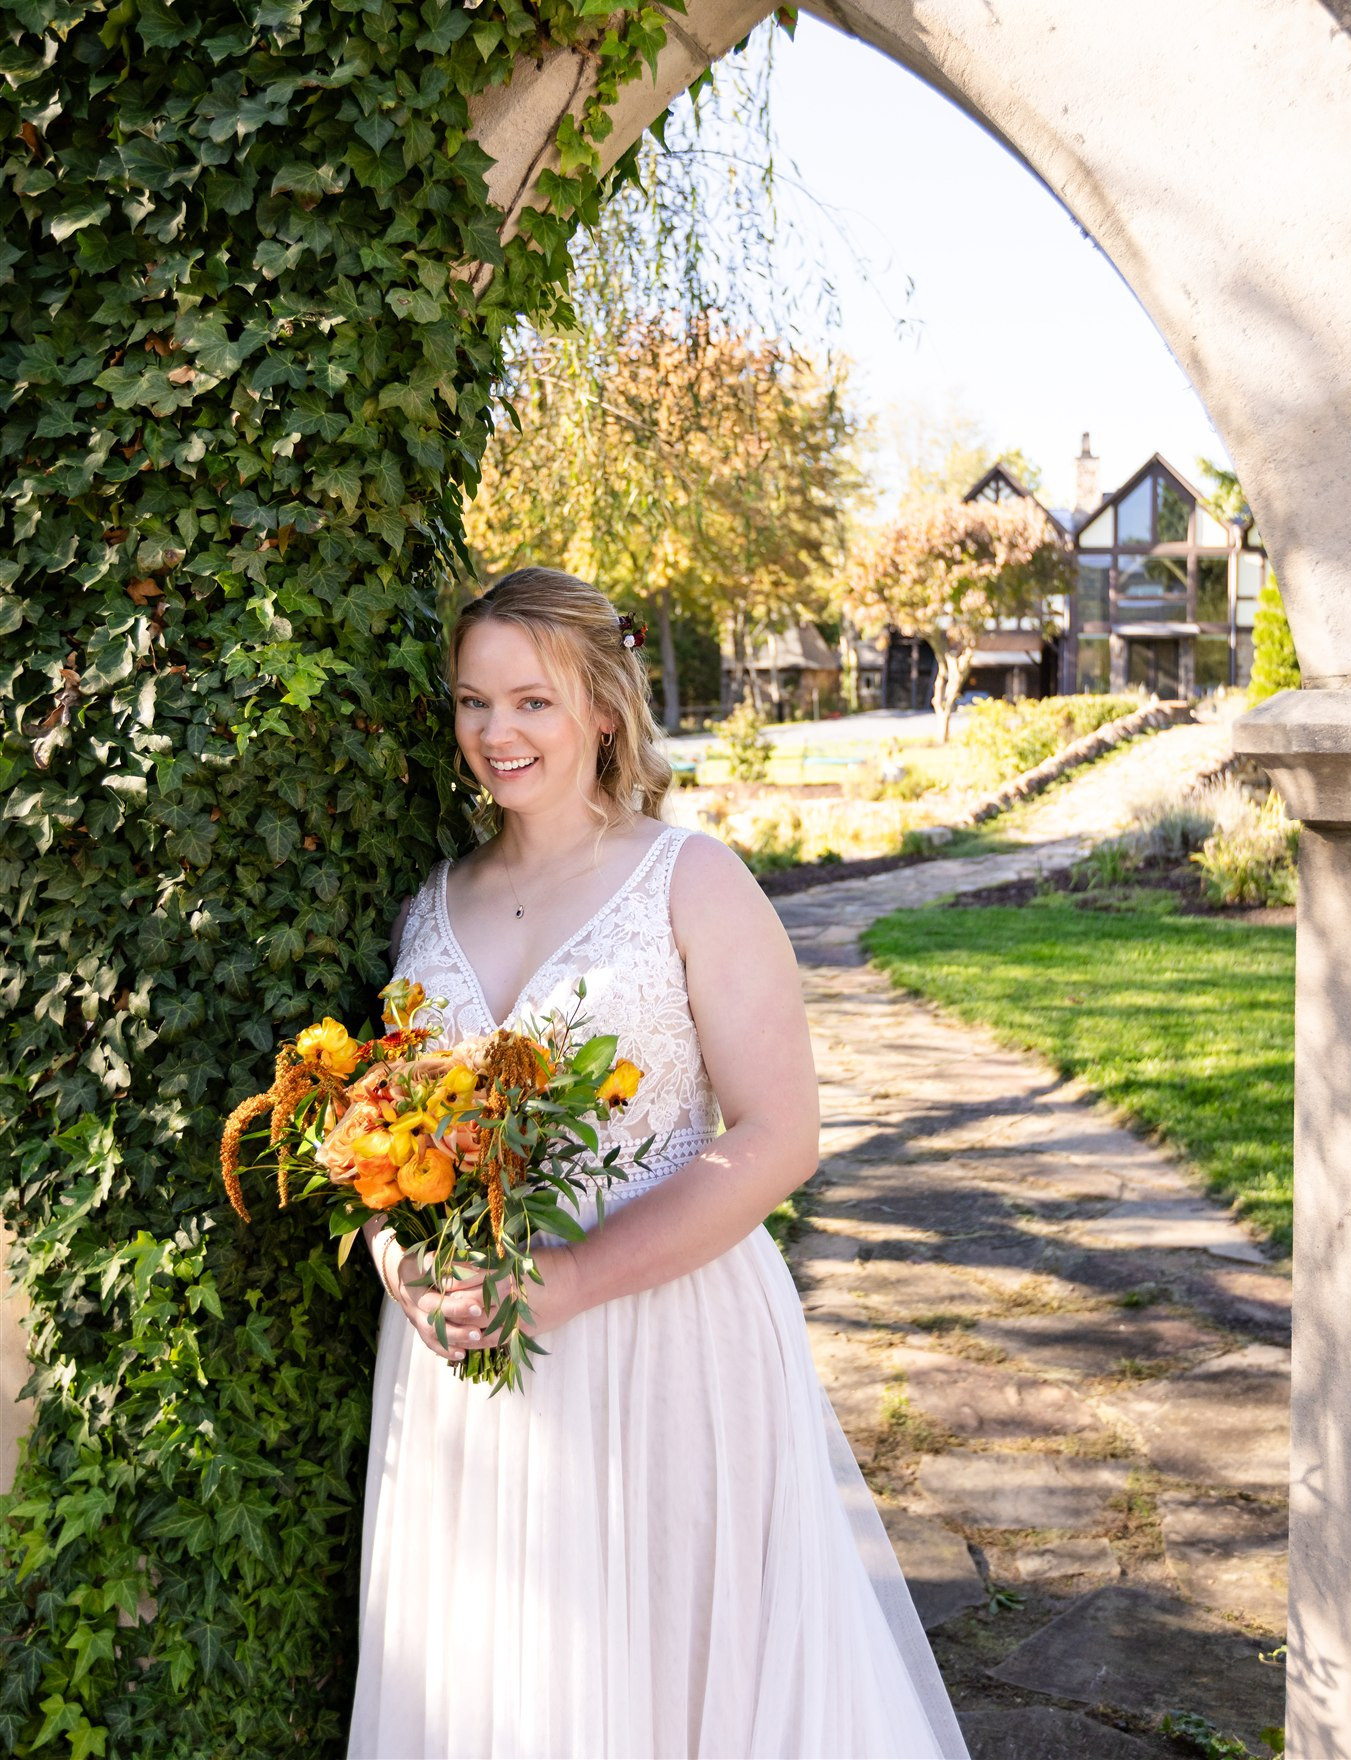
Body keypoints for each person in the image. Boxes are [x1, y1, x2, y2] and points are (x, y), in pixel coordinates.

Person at [349, 567, 969, 1760]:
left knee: (677, 1672)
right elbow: (394, 1133)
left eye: (531, 699)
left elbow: (780, 1135)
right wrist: (396, 1258)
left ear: (602, 709)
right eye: (474, 702)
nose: (496, 731)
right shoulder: (432, 902)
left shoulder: (691, 878)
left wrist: (570, 1277)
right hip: (473, 1362)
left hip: (668, 1340)